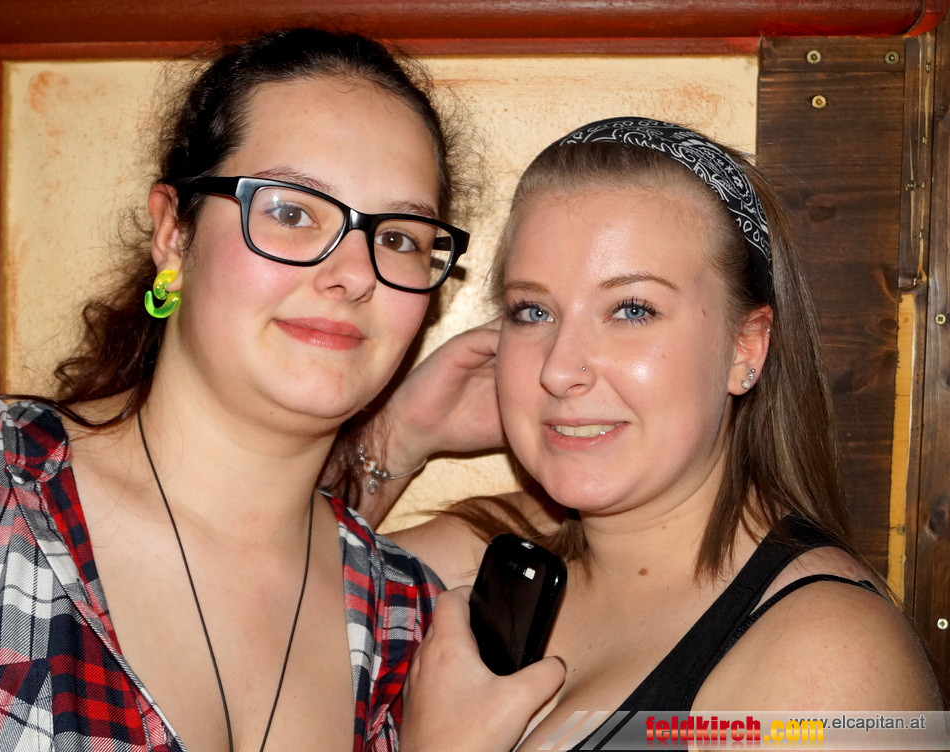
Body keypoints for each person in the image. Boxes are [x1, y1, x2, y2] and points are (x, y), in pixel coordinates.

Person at [0, 27, 473, 752]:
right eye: (292, 211)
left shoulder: (412, 627)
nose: (355, 274)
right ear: (174, 234)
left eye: (398, 237)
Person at [355, 117, 944, 751]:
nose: (558, 369)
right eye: (533, 311)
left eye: (632, 309)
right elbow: (277, 609)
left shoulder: (835, 671)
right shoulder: (489, 552)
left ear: (746, 347)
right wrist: (395, 438)